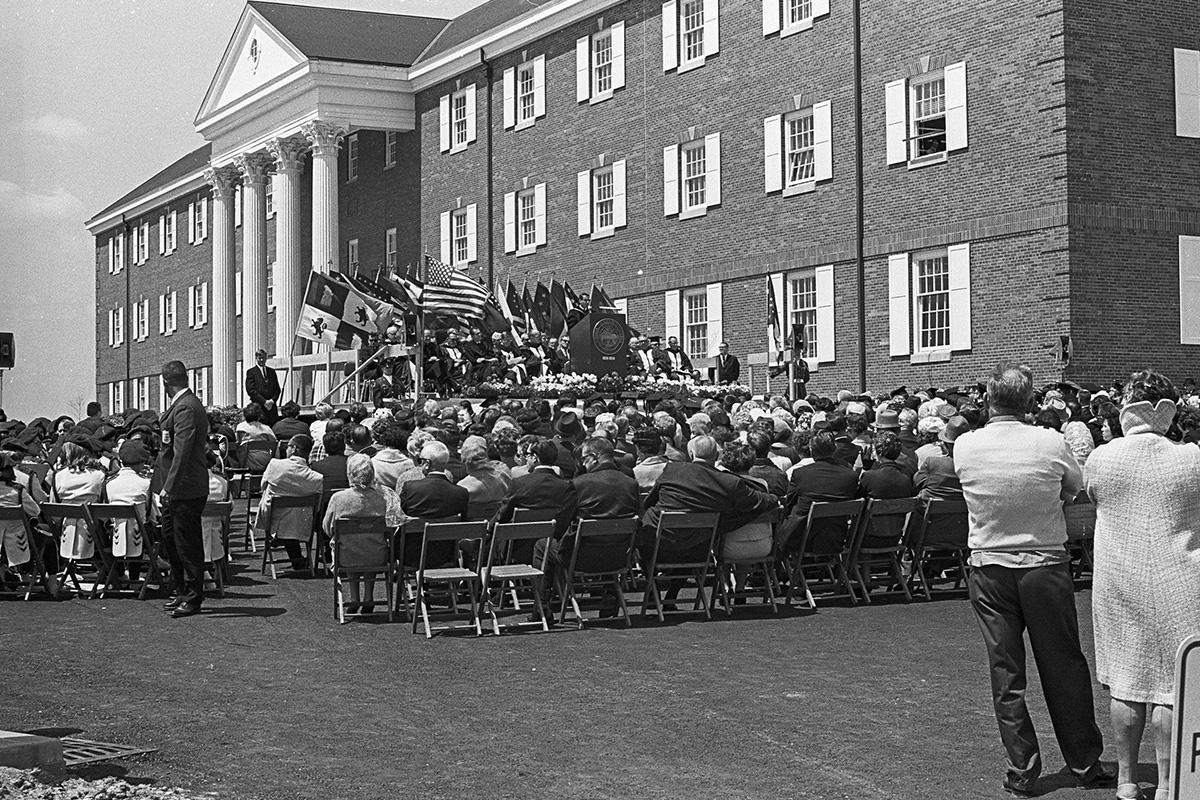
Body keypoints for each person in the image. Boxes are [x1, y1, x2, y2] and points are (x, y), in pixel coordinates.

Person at [953, 363, 1111, 797]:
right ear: (1031, 402)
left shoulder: (966, 445)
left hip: (989, 565)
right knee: (1064, 664)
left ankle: (1022, 767)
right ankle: (1083, 761)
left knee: (1006, 670)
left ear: (989, 399)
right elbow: (1074, 488)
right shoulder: (1050, 442)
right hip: (1043, 563)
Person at [1084, 371, 1200, 800]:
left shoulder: (1102, 458)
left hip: (1121, 577)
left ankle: (1127, 780)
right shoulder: (1192, 457)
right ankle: (1170, 783)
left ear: (1127, 408)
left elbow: (1092, 494)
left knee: (1128, 679)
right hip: (1183, 576)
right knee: (1174, 684)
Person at [640, 435, 775, 564]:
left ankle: (653, 587)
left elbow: (649, 503)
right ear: (716, 456)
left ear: (691, 454)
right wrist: (775, 499)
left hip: (655, 546)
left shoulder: (673, 469)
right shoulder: (726, 482)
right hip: (697, 551)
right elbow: (757, 500)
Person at [155, 360, 211, 618]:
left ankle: (192, 597)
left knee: (187, 545)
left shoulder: (186, 407)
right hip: (177, 487)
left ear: (165, 382)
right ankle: (180, 590)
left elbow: (182, 451)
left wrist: (168, 486)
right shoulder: (182, 404)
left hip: (185, 486)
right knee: (172, 540)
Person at [323, 454, 391, 614]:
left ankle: (354, 598)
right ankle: (368, 597)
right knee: (370, 545)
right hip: (376, 554)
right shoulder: (383, 497)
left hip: (346, 555)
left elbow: (327, 527)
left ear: (349, 474)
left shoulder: (338, 498)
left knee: (350, 545)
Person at [777, 431, 858, 555]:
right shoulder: (850, 475)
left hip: (802, 539)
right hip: (836, 539)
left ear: (811, 450)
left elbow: (789, 504)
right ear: (834, 449)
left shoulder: (801, 474)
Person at [257, 434, 323, 573]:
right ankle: (297, 558)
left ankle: (284, 545)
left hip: (273, 520)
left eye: (288, 447)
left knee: (281, 505)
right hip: (303, 524)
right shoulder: (316, 478)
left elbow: (262, 486)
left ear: (293, 449)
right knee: (293, 512)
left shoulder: (275, 465)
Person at [50, 438, 107, 562]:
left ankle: (69, 567)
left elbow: (54, 509)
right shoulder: (100, 475)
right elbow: (104, 506)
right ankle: (114, 571)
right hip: (96, 534)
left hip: (65, 532)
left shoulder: (58, 476)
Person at [103, 439, 154, 579]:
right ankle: (135, 577)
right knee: (144, 526)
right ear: (141, 462)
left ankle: (118, 575)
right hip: (141, 537)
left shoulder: (108, 483)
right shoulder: (146, 484)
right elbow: (152, 514)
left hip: (114, 534)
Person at [915, 416, 967, 500]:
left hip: (932, 511)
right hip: (965, 511)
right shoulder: (975, 464)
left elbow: (916, 483)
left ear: (945, 443)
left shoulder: (932, 463)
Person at [236, 402, 277, 471]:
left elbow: (238, 443)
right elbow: (274, 444)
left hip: (245, 462)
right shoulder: (266, 429)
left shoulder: (240, 427)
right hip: (266, 463)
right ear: (259, 415)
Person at [245, 349, 281, 426]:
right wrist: (264, 402)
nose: (261, 360)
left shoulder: (271, 371)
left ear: (266, 358)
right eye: (259, 358)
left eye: (263, 358)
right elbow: (251, 390)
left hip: (272, 408)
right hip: (259, 407)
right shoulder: (251, 372)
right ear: (256, 358)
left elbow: (277, 389)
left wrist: (272, 401)